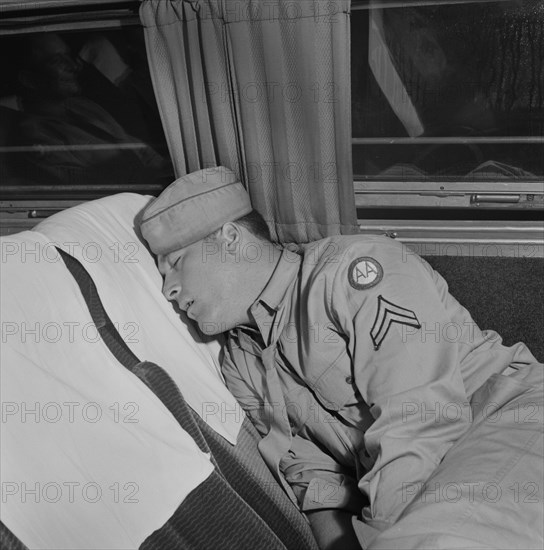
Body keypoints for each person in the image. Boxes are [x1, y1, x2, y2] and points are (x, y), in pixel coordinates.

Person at [139, 166, 543, 550]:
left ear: (229, 237)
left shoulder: (355, 269)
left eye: (176, 264)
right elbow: (311, 474)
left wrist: (382, 532)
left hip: (502, 414)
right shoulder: (240, 363)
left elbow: (420, 415)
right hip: (424, 483)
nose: (168, 290)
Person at [12, 33, 172, 186]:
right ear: (29, 79)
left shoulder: (83, 106)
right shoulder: (35, 136)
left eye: (69, 56)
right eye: (57, 61)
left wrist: (168, 171)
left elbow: (137, 147)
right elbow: (96, 185)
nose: (73, 66)